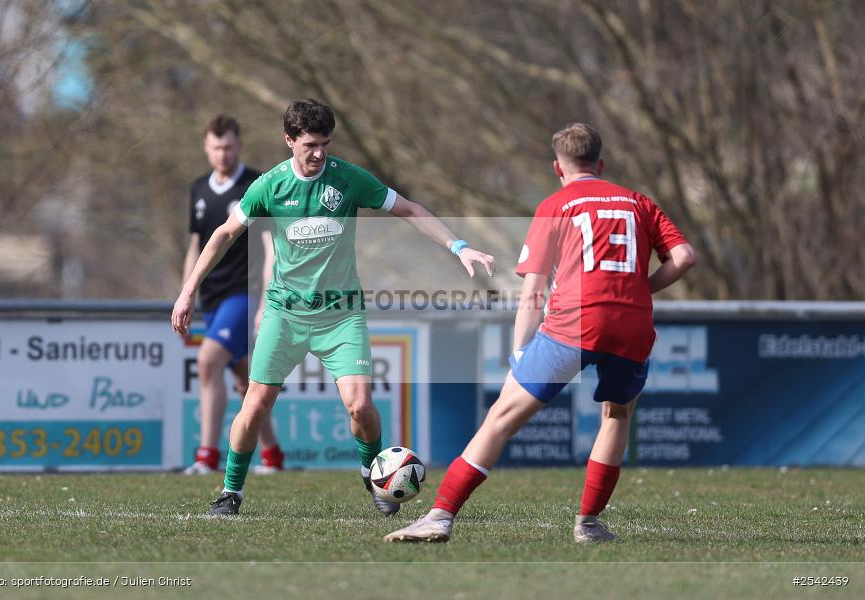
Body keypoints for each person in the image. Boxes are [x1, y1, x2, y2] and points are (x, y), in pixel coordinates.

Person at [172, 98, 495, 516]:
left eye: (325, 143)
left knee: (360, 405)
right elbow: (222, 235)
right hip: (285, 315)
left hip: (341, 316)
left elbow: (410, 209)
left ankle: (375, 474)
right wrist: (188, 290)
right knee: (254, 406)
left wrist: (459, 246)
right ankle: (231, 492)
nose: (319, 153)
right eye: (309, 144)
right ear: (289, 141)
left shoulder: (348, 180)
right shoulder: (268, 186)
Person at [385, 122, 697, 543]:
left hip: (575, 322)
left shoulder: (557, 205)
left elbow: (533, 288)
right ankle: (588, 523)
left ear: (557, 167)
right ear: (600, 164)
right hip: (632, 324)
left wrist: (518, 352)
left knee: (501, 418)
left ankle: (440, 516)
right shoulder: (639, 202)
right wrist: (641, 288)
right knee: (617, 415)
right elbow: (684, 257)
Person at [182, 114, 285, 476]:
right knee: (246, 381)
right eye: (216, 147)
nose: (222, 153)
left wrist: (269, 295)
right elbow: (196, 245)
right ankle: (273, 456)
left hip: (245, 294)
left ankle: (207, 457)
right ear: (206, 148)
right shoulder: (198, 189)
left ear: (239, 145)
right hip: (211, 297)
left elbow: (271, 245)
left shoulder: (257, 184)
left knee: (208, 362)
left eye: (228, 146)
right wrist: (187, 292)